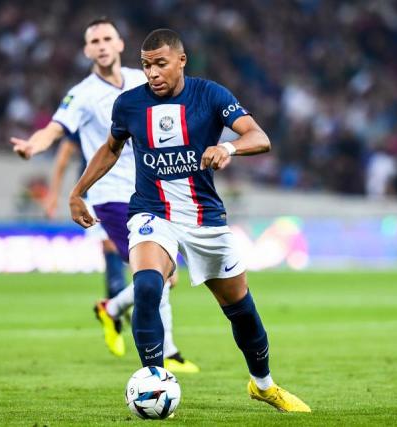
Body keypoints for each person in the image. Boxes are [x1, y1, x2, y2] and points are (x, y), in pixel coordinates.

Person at [69, 28, 311, 412]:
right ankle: (152, 381)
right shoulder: (129, 104)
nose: (152, 73)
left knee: (241, 310)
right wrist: (78, 191)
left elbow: (259, 137)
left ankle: (263, 385)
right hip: (153, 212)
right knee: (148, 285)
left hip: (204, 219)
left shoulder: (210, 95)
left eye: (161, 64)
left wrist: (227, 146)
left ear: (182, 61)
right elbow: (110, 149)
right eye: (147, 65)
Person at [10, 18, 198, 373]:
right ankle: (168, 355)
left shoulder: (144, 79)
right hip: (110, 193)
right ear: (87, 50)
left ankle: (111, 310)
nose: (101, 44)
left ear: (120, 43)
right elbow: (56, 129)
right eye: (94, 40)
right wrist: (34, 146)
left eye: (107, 38)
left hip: (152, 188)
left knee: (166, 273)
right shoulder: (82, 95)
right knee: (154, 275)